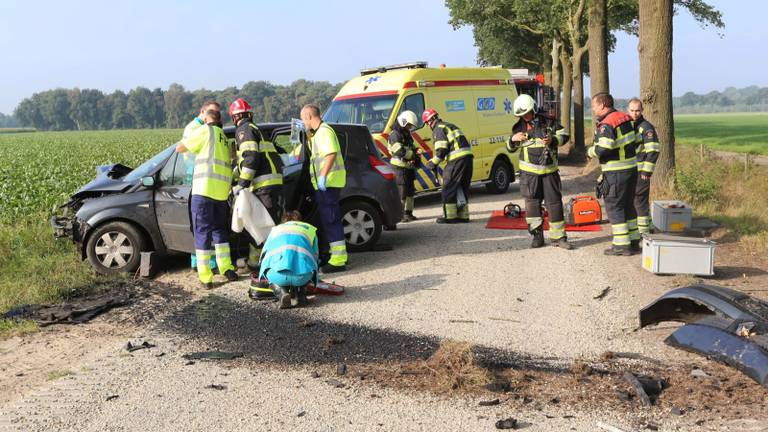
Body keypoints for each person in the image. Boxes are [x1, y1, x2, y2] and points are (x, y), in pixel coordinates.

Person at [176, 109, 238, 288]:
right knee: (220, 232)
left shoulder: (205, 131)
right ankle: (226, 268)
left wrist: (189, 135)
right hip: (221, 194)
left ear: (206, 118)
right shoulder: (224, 138)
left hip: (203, 191)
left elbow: (180, 148)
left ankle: (206, 277)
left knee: (202, 233)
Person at [507, 94, 572, 249]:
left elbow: (564, 135)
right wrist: (512, 140)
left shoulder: (549, 122)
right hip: (529, 175)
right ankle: (537, 237)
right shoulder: (518, 127)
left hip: (549, 172)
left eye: (527, 113)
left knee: (554, 204)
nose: (525, 117)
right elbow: (510, 148)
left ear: (534, 109)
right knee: (532, 205)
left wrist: (553, 140)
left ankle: (559, 237)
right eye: (522, 115)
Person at [229, 98, 284, 276]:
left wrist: (241, 184)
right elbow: (248, 160)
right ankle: (258, 262)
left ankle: (271, 265)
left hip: (263, 185)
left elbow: (251, 158)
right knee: (264, 224)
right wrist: (235, 172)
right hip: (271, 183)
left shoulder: (244, 130)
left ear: (235, 117)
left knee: (263, 226)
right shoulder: (255, 129)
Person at [587, 93, 639, 256]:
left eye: (594, 105)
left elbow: (604, 148)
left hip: (616, 173)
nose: (593, 109)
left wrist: (590, 151)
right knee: (628, 205)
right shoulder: (626, 118)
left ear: (602, 105)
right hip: (631, 169)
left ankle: (621, 245)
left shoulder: (607, 124)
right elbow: (637, 141)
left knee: (615, 207)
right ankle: (634, 241)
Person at [300, 104, 348, 273]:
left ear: (308, 116)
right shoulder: (317, 133)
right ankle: (333, 255)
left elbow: (331, 154)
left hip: (329, 182)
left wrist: (323, 176)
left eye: (303, 119)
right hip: (325, 184)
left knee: (331, 220)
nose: (302, 122)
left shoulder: (324, 131)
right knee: (328, 220)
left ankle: (339, 260)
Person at [252, 211, 319, 309]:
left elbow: (263, 257)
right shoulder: (309, 230)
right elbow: (316, 257)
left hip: (277, 275)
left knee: (267, 267)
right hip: (303, 277)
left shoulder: (275, 230)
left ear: (283, 221)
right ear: (300, 221)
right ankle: (301, 295)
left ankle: (281, 292)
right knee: (307, 265)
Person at [183, 100, 221, 272]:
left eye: (217, 113)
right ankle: (206, 264)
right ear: (203, 112)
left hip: (205, 181)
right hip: (198, 180)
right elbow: (186, 151)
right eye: (212, 112)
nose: (214, 116)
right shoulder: (197, 129)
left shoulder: (206, 128)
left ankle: (199, 262)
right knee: (203, 227)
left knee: (202, 226)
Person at [422, 108, 473, 224]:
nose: (428, 125)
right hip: (468, 158)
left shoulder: (438, 129)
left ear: (430, 121)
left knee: (448, 186)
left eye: (427, 123)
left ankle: (450, 217)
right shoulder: (450, 125)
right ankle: (464, 216)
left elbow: (441, 151)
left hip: (456, 159)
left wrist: (432, 163)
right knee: (462, 186)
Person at [628, 98, 660, 237]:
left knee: (639, 200)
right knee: (639, 200)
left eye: (637, 111)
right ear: (628, 110)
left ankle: (643, 233)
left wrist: (646, 172)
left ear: (642, 110)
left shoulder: (646, 127)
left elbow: (653, 151)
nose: (635, 113)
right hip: (632, 170)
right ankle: (649, 227)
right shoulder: (629, 125)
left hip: (641, 171)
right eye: (632, 110)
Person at [388, 110, 421, 222]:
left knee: (410, 192)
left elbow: (410, 147)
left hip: (407, 167)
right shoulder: (395, 134)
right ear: (403, 122)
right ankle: (400, 215)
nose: (410, 127)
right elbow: (399, 151)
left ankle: (408, 213)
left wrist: (416, 152)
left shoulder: (405, 133)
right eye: (409, 125)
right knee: (402, 193)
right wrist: (413, 155)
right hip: (399, 168)